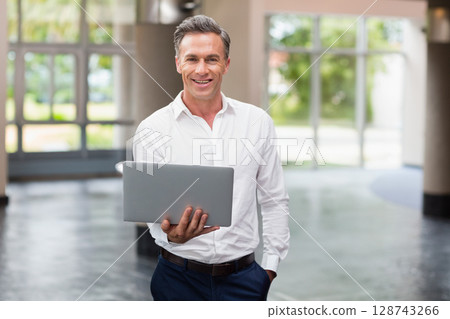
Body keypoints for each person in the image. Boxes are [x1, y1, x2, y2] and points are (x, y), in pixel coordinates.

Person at [133, 15, 289, 301]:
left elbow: (274, 198)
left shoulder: (257, 122)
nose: (201, 70)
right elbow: (150, 210)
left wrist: (269, 268)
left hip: (244, 281)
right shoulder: (152, 129)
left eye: (212, 59)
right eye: (192, 59)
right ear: (178, 63)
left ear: (226, 64)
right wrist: (170, 235)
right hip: (176, 281)